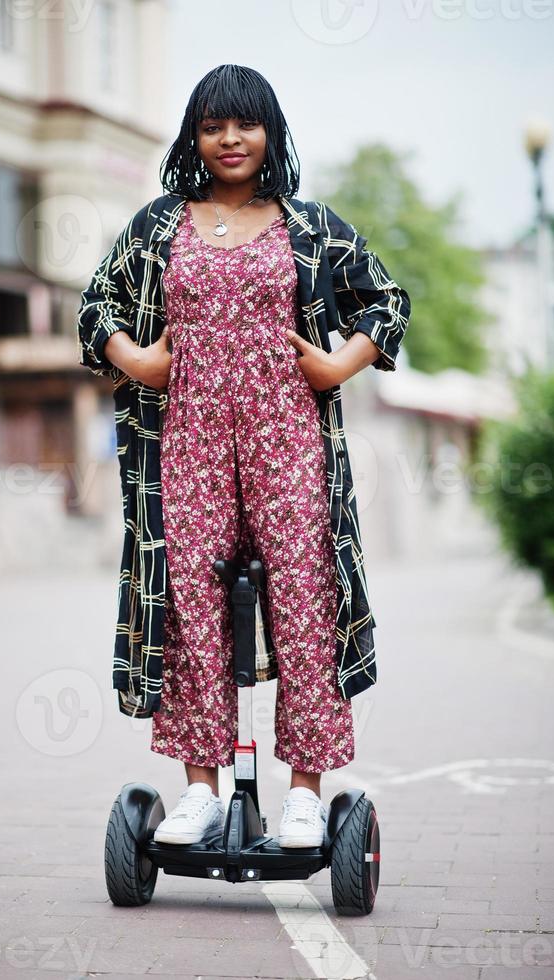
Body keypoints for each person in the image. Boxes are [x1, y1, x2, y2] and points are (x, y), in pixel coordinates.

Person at [78, 64, 411, 849]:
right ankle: (198, 786)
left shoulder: (309, 224)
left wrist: (337, 365)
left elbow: (387, 302)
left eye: (246, 125)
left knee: (302, 602)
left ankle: (305, 790)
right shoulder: (160, 226)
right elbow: (96, 305)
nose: (230, 140)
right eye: (213, 126)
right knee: (190, 611)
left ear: (271, 133)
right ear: (194, 136)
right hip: (184, 443)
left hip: (288, 443)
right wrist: (135, 360)